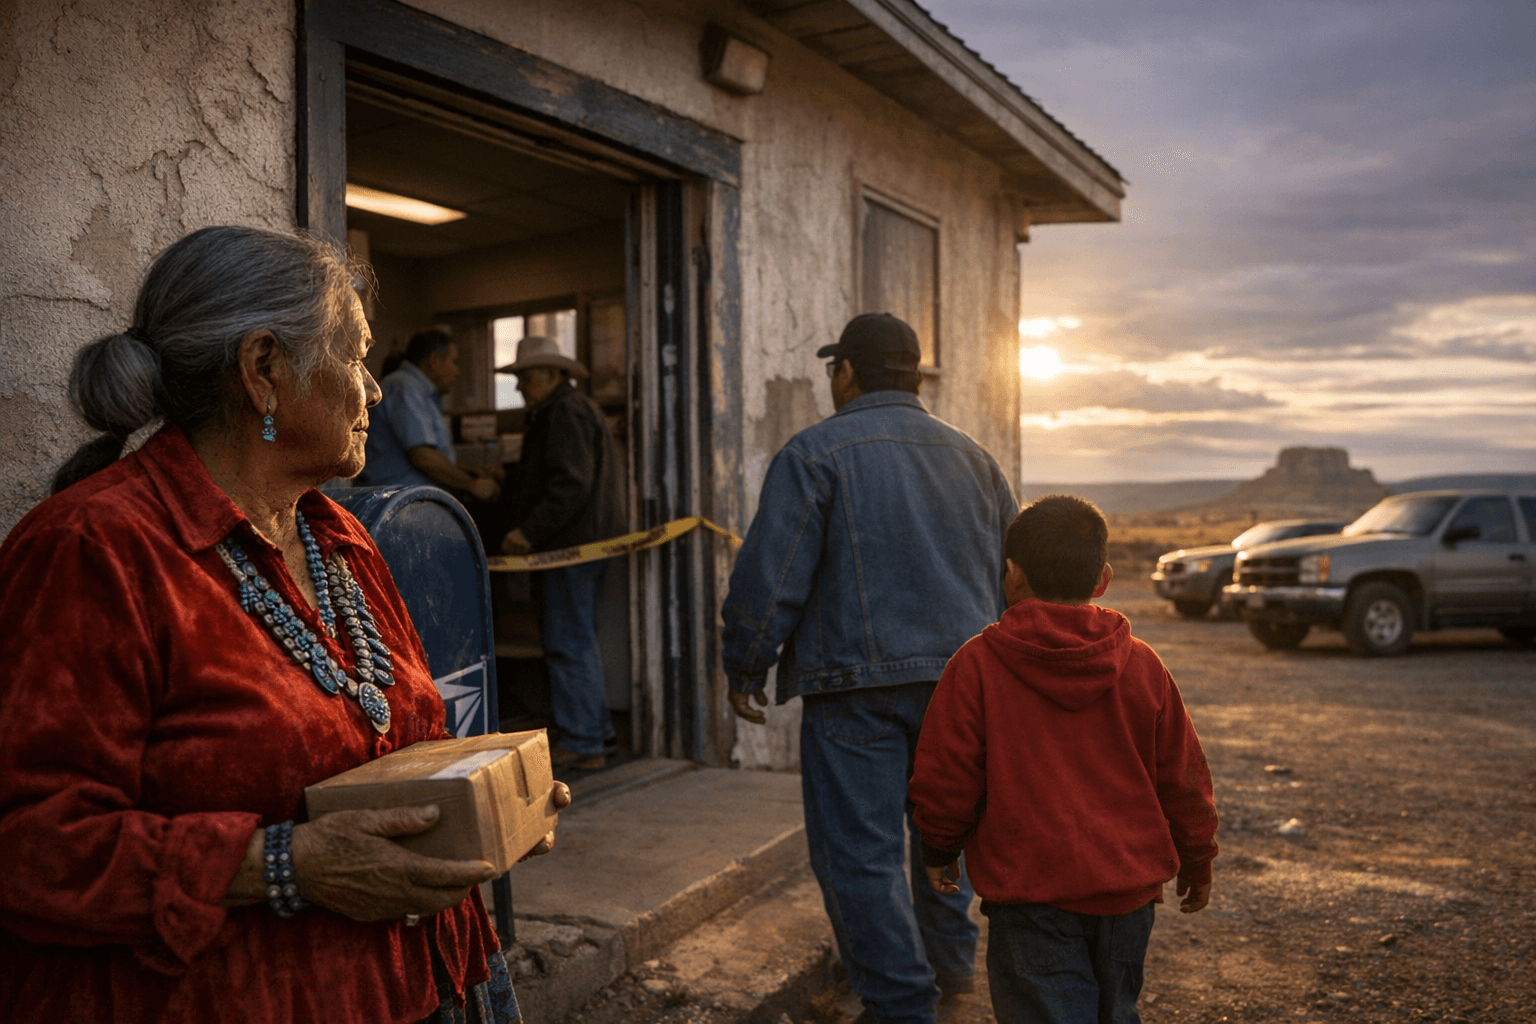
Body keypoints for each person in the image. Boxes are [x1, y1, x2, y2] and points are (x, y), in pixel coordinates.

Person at [0, 225, 570, 1023]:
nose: (374, 391)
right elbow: (30, 844)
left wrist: (485, 806)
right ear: (264, 369)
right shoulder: (94, 548)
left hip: (427, 979)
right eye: (355, 358)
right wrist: (284, 863)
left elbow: (402, 746)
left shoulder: (339, 535)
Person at [720, 313, 1019, 1024]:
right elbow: (1017, 574)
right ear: (914, 376)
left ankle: (900, 1004)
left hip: (854, 688)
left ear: (846, 373)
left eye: (835, 369)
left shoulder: (814, 453)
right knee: (944, 832)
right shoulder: (977, 460)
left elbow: (774, 576)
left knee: (860, 854)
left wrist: (747, 664)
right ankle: (949, 970)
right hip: (962, 686)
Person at [909, 495, 1219, 1024]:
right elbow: (1184, 776)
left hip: (1029, 899)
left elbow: (947, 773)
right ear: (1102, 579)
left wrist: (939, 843)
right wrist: (1198, 856)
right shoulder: (1143, 665)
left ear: (1013, 577)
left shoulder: (976, 666)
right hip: (1127, 896)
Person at [496, 336, 625, 772]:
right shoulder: (569, 409)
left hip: (569, 547)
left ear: (550, 374)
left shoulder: (563, 413)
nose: (519, 386)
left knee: (567, 642)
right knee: (576, 639)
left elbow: (571, 484)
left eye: (525, 377)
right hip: (579, 544)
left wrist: (529, 531)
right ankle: (594, 731)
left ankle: (584, 740)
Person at [359, 329, 499, 503]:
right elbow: (423, 456)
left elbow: (429, 454)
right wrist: (472, 485)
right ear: (433, 362)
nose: (457, 372)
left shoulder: (420, 391)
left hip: (410, 503)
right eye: (454, 362)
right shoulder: (404, 387)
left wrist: (466, 471)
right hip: (398, 505)